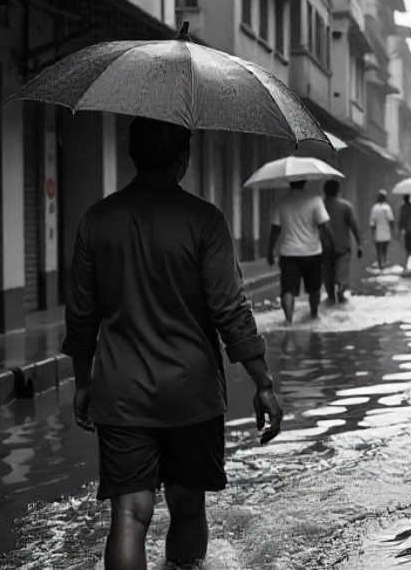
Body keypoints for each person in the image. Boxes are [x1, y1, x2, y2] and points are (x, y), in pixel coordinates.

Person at [62, 117, 283, 570]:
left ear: (131, 154)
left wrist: (83, 383)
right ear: (184, 158)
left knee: (129, 513)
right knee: (188, 507)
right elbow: (230, 309)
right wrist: (262, 380)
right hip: (192, 393)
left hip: (121, 392)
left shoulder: (97, 221)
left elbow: (81, 318)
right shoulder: (206, 220)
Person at [267, 180, 332, 325]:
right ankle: (314, 316)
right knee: (314, 288)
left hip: (289, 253)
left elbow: (275, 230)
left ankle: (288, 321)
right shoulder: (315, 200)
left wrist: (270, 250)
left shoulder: (281, 202)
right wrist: (331, 244)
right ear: (305, 183)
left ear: (290, 183)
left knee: (287, 289)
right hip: (313, 252)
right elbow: (324, 225)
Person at [322, 180, 363, 304]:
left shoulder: (319, 206)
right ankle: (340, 291)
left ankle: (330, 296)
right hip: (343, 247)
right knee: (342, 273)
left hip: (325, 247)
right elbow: (354, 226)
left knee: (327, 274)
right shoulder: (346, 206)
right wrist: (359, 244)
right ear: (338, 190)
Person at [370, 190, 396, 269]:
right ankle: (384, 261)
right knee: (385, 247)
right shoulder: (387, 207)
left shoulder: (374, 208)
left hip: (378, 229)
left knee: (378, 248)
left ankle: (380, 262)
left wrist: (372, 231)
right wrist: (393, 228)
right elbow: (391, 219)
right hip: (385, 229)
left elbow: (372, 221)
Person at [398, 194, 411, 271]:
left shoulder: (403, 208)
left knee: (406, 246)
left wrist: (400, 228)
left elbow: (401, 218)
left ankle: (405, 263)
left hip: (406, 229)